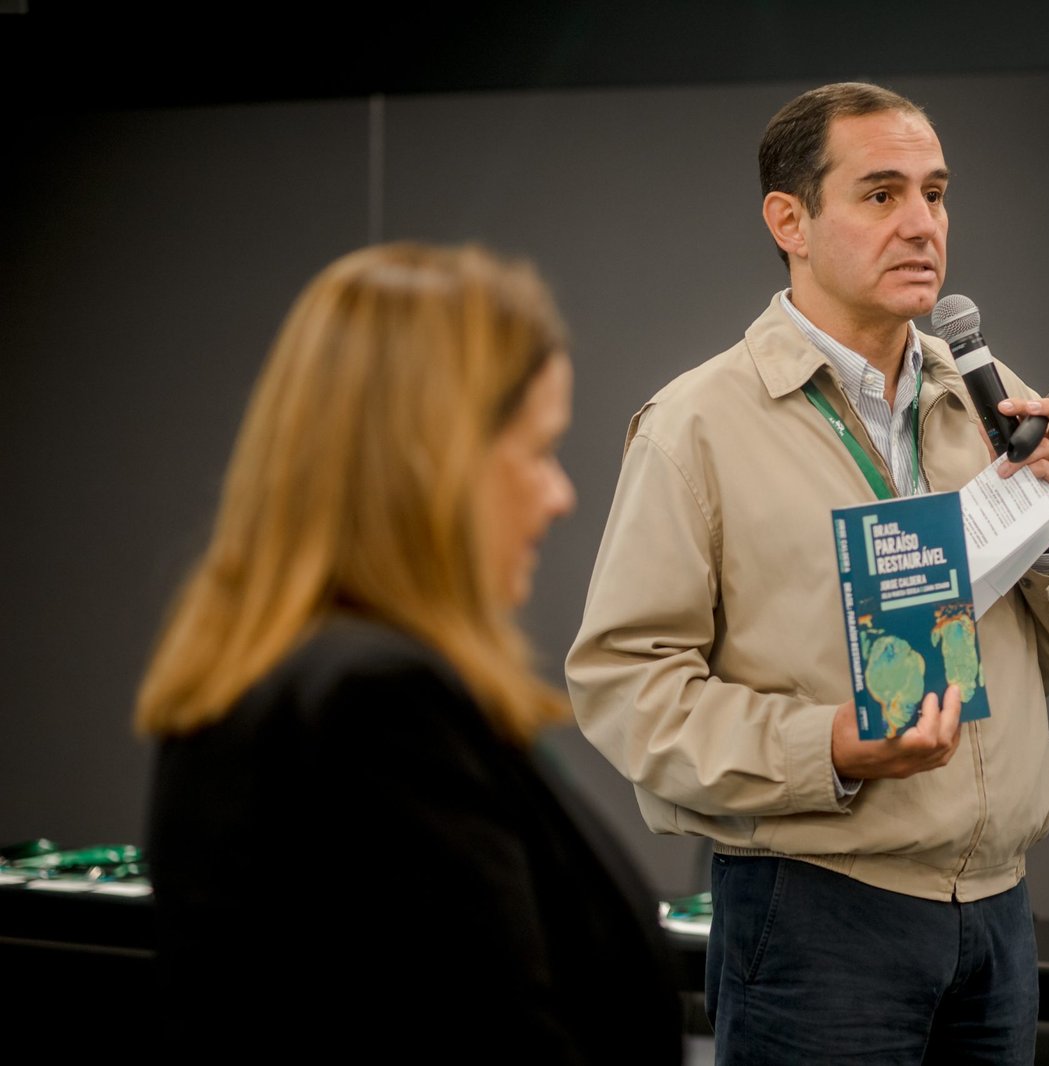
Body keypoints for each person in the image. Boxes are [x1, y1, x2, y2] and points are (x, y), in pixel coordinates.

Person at [566, 82, 1049, 1064]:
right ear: (789, 220)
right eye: (880, 194)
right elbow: (627, 690)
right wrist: (826, 745)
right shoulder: (697, 427)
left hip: (998, 916)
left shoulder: (986, 399)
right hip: (816, 916)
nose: (922, 224)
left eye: (935, 193)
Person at [137, 243, 682, 1061]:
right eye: (538, 452)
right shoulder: (380, 707)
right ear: (434, 460)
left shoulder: (253, 676)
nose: (561, 495)